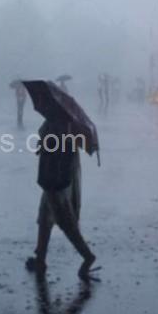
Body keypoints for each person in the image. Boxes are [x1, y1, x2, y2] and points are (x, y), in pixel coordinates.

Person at [25, 110, 97, 281]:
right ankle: (41, 259)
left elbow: (58, 151)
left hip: (55, 182)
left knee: (66, 223)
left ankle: (88, 257)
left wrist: (45, 144)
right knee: (44, 219)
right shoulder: (57, 121)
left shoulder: (62, 125)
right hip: (52, 179)